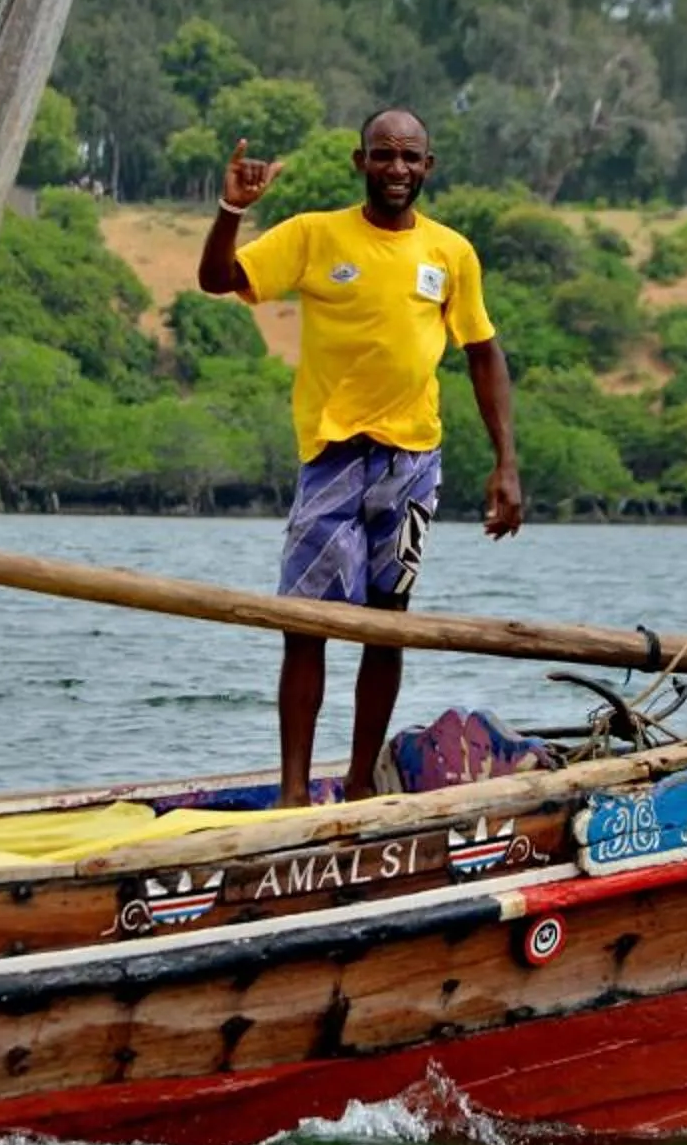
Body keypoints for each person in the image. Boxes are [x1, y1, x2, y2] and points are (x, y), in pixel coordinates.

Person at [197, 108, 523, 806]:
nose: (397, 169)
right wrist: (232, 209)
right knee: (306, 623)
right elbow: (218, 278)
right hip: (333, 456)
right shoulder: (317, 235)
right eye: (384, 156)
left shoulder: (450, 253)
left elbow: (482, 353)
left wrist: (506, 465)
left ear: (428, 167)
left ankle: (356, 787)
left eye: (410, 158)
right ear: (360, 162)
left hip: (413, 463)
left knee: (387, 621)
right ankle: (291, 795)